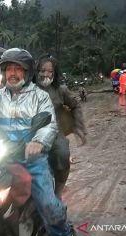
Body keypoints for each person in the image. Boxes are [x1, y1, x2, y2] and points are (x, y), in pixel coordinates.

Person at [0, 48, 73, 236]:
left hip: (32, 158)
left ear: (27, 73)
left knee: (48, 204)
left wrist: (37, 141)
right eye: (8, 69)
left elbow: (50, 124)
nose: (12, 73)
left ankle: (63, 234)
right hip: (2, 155)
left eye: (17, 69)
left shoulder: (40, 96)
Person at [33, 54, 87, 199]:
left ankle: (58, 192)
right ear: (36, 71)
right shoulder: (27, 89)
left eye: (50, 71)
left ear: (55, 74)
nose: (46, 74)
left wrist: (78, 127)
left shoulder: (61, 90)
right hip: (29, 132)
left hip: (54, 132)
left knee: (63, 154)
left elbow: (75, 105)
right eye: (43, 70)